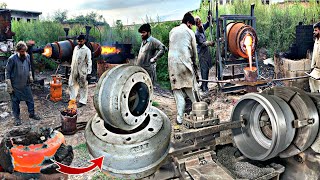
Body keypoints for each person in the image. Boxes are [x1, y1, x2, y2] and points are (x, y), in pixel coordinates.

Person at [168, 12, 200, 125]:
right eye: (191, 24)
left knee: (177, 92)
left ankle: (179, 118)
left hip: (172, 65)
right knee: (192, 90)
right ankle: (199, 113)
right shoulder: (190, 32)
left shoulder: (172, 31)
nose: (191, 26)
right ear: (188, 23)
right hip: (185, 64)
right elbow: (194, 52)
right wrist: (196, 68)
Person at [5, 41, 41, 126]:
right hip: (15, 85)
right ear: (17, 51)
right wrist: (9, 84)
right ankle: (17, 118)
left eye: (24, 51)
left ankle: (32, 114)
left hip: (25, 84)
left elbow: (28, 67)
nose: (23, 53)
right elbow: (7, 72)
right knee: (15, 102)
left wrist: (30, 76)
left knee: (30, 100)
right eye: (21, 51)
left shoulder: (27, 56)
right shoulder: (12, 59)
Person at [69, 34, 92, 107]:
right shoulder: (76, 48)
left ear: (84, 41)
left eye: (81, 41)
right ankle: (72, 99)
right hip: (74, 69)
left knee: (83, 86)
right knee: (71, 84)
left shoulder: (87, 50)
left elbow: (89, 61)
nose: (79, 43)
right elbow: (73, 58)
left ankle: (82, 101)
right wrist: (72, 67)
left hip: (82, 70)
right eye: (78, 41)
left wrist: (89, 73)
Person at [194, 15, 214, 92]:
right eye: (198, 24)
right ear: (196, 24)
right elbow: (201, 44)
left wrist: (209, 20)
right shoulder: (197, 33)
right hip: (201, 53)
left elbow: (207, 25)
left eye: (200, 22)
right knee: (204, 69)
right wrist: (209, 43)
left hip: (205, 52)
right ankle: (204, 87)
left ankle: (204, 85)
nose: (200, 24)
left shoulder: (201, 28)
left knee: (207, 69)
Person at [309, 22, 320, 92]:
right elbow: (315, 55)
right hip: (316, 69)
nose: (314, 32)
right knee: (311, 79)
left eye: (316, 30)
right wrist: (312, 67)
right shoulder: (316, 40)